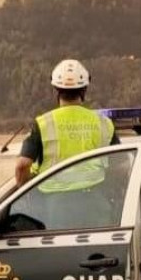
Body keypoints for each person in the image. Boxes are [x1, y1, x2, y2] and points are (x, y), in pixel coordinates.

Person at [15, 59, 118, 187]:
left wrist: (27, 190)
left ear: (56, 90)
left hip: (53, 202)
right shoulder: (104, 123)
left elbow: (22, 165)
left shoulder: (43, 124)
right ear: (84, 89)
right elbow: (121, 164)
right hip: (95, 198)